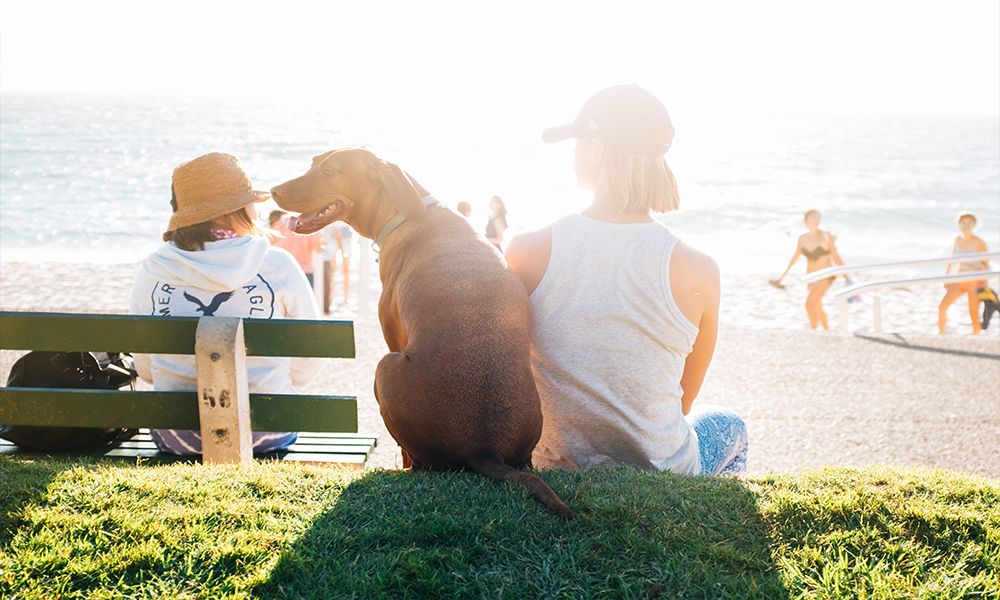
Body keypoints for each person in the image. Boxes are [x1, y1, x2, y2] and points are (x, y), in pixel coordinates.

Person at [505, 84, 746, 476]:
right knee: (730, 424)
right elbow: (681, 404)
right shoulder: (700, 269)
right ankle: (706, 518)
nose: (573, 152)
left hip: (555, 466)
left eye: (578, 142)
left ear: (597, 149)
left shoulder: (526, 250)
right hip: (664, 472)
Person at [129, 152, 326, 455]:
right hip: (267, 429)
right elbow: (311, 355)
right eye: (251, 202)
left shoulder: (155, 267)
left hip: (176, 434)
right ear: (237, 209)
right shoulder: (276, 263)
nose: (258, 213)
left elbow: (146, 368)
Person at [770, 209, 846, 330]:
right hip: (810, 276)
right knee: (817, 305)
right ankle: (827, 330)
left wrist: (846, 275)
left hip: (825, 275)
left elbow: (836, 257)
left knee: (809, 304)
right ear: (806, 221)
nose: (816, 221)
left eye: (818, 218)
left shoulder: (826, 236)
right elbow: (794, 259)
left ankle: (813, 331)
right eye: (813, 218)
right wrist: (781, 277)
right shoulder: (802, 238)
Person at [938, 212, 989, 334]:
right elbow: (952, 260)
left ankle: (977, 339)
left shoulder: (980, 242)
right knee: (942, 307)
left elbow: (986, 265)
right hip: (959, 279)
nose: (966, 227)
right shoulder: (957, 240)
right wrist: (947, 279)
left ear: (974, 225)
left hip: (974, 281)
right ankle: (941, 336)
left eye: (969, 224)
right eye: (963, 224)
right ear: (959, 225)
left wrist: (985, 284)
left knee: (973, 312)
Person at [272, 211, 325, 288]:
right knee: (306, 299)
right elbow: (319, 249)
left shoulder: (283, 221)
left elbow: (273, 242)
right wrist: (324, 245)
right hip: (305, 272)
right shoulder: (312, 222)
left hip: (285, 271)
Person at [321, 221, 354, 312]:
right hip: (335, 239)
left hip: (342, 239)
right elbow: (336, 232)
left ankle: (344, 296)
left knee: (342, 270)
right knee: (334, 270)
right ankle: (335, 296)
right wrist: (343, 250)